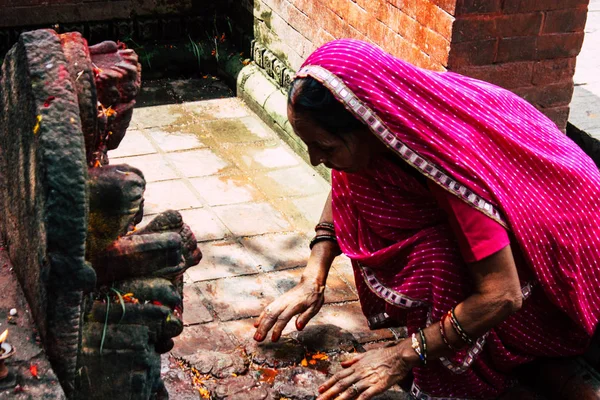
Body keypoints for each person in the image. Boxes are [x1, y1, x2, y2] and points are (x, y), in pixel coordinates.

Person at [252, 39, 600, 400]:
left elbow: (502, 295)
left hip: (565, 257)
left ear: (371, 125)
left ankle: (478, 361)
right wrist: (314, 274)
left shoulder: (451, 170)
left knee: (436, 261)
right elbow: (347, 180)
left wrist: (402, 356)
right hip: (504, 218)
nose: (314, 160)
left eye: (325, 148)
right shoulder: (386, 123)